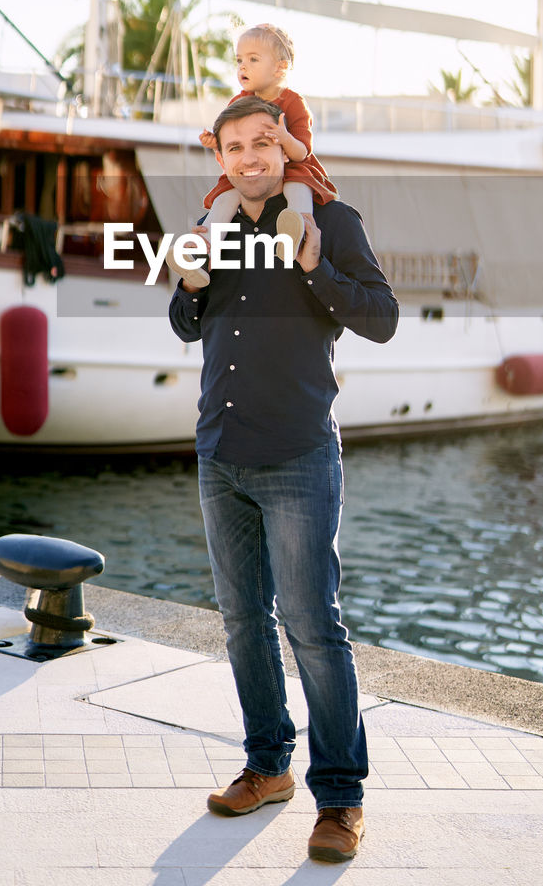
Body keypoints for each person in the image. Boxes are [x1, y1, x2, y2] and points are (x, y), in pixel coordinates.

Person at [168, 94, 398, 864]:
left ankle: (340, 798)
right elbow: (185, 322)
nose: (249, 158)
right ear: (221, 158)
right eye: (234, 147)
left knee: (313, 627)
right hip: (219, 449)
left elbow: (380, 315)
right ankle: (268, 767)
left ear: (285, 146)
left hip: (299, 453)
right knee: (241, 621)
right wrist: (190, 284)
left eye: (263, 143)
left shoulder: (330, 221)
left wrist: (313, 266)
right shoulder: (215, 227)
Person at [168, 22, 337, 288]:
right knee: (224, 200)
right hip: (255, 174)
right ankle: (199, 255)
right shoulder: (238, 102)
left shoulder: (293, 102)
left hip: (293, 167)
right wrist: (216, 144)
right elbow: (231, 152)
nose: (242, 67)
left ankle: (297, 237)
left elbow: (302, 151)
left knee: (298, 191)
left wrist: (284, 139)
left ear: (280, 67)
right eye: (239, 60)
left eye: (253, 59)